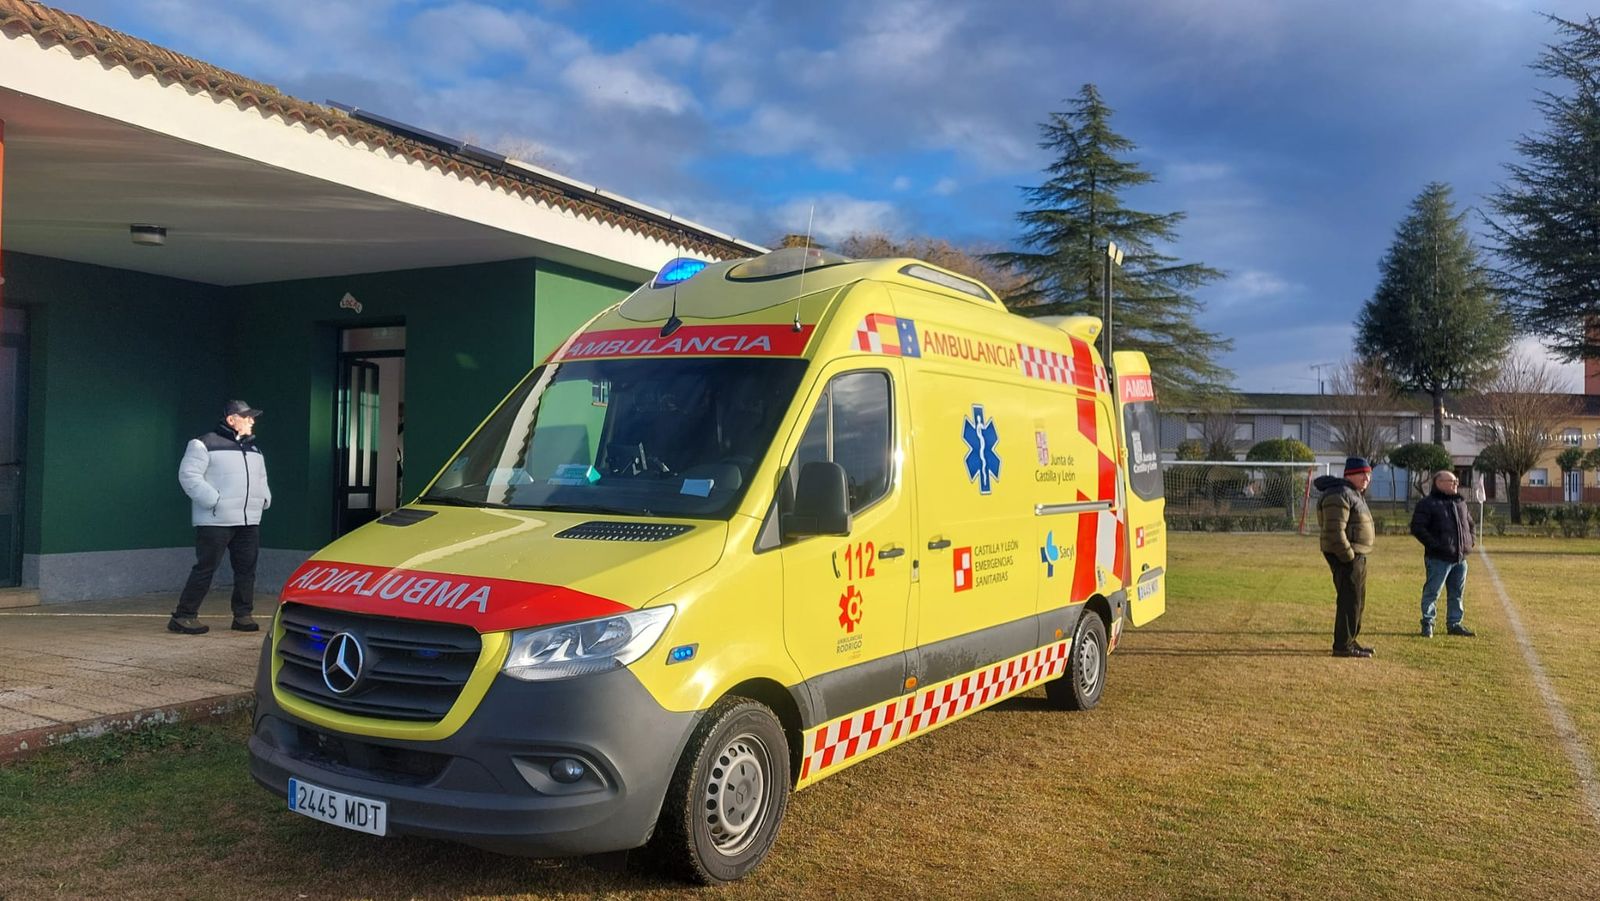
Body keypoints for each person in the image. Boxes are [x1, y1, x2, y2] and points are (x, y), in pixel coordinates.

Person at [169, 400, 272, 635]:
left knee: (247, 570)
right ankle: (183, 616)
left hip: (248, 521)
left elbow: (262, 479)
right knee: (205, 568)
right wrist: (213, 500)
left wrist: (264, 498)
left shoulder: (254, 449)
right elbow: (188, 476)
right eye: (246, 417)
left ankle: (243, 615)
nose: (251, 421)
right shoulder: (203, 444)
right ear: (231, 419)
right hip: (215, 520)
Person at [1315, 457, 1376, 658]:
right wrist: (1348, 556)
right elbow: (1334, 530)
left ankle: (1350, 639)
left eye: (1368, 473)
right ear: (1349, 474)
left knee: (1356, 600)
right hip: (1347, 556)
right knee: (1349, 600)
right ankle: (1342, 646)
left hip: (1357, 554)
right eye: (1362, 473)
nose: (1367, 477)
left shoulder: (1353, 493)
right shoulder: (1339, 494)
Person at [1409, 470, 1476, 638]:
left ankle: (1454, 624)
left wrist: (1470, 542)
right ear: (1439, 483)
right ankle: (1428, 623)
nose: (1456, 484)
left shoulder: (1460, 502)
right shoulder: (1427, 504)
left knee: (1457, 594)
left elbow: (1470, 524)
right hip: (1438, 558)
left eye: (1456, 481)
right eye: (1452, 481)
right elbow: (1418, 528)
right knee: (1432, 592)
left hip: (1460, 559)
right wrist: (1436, 546)